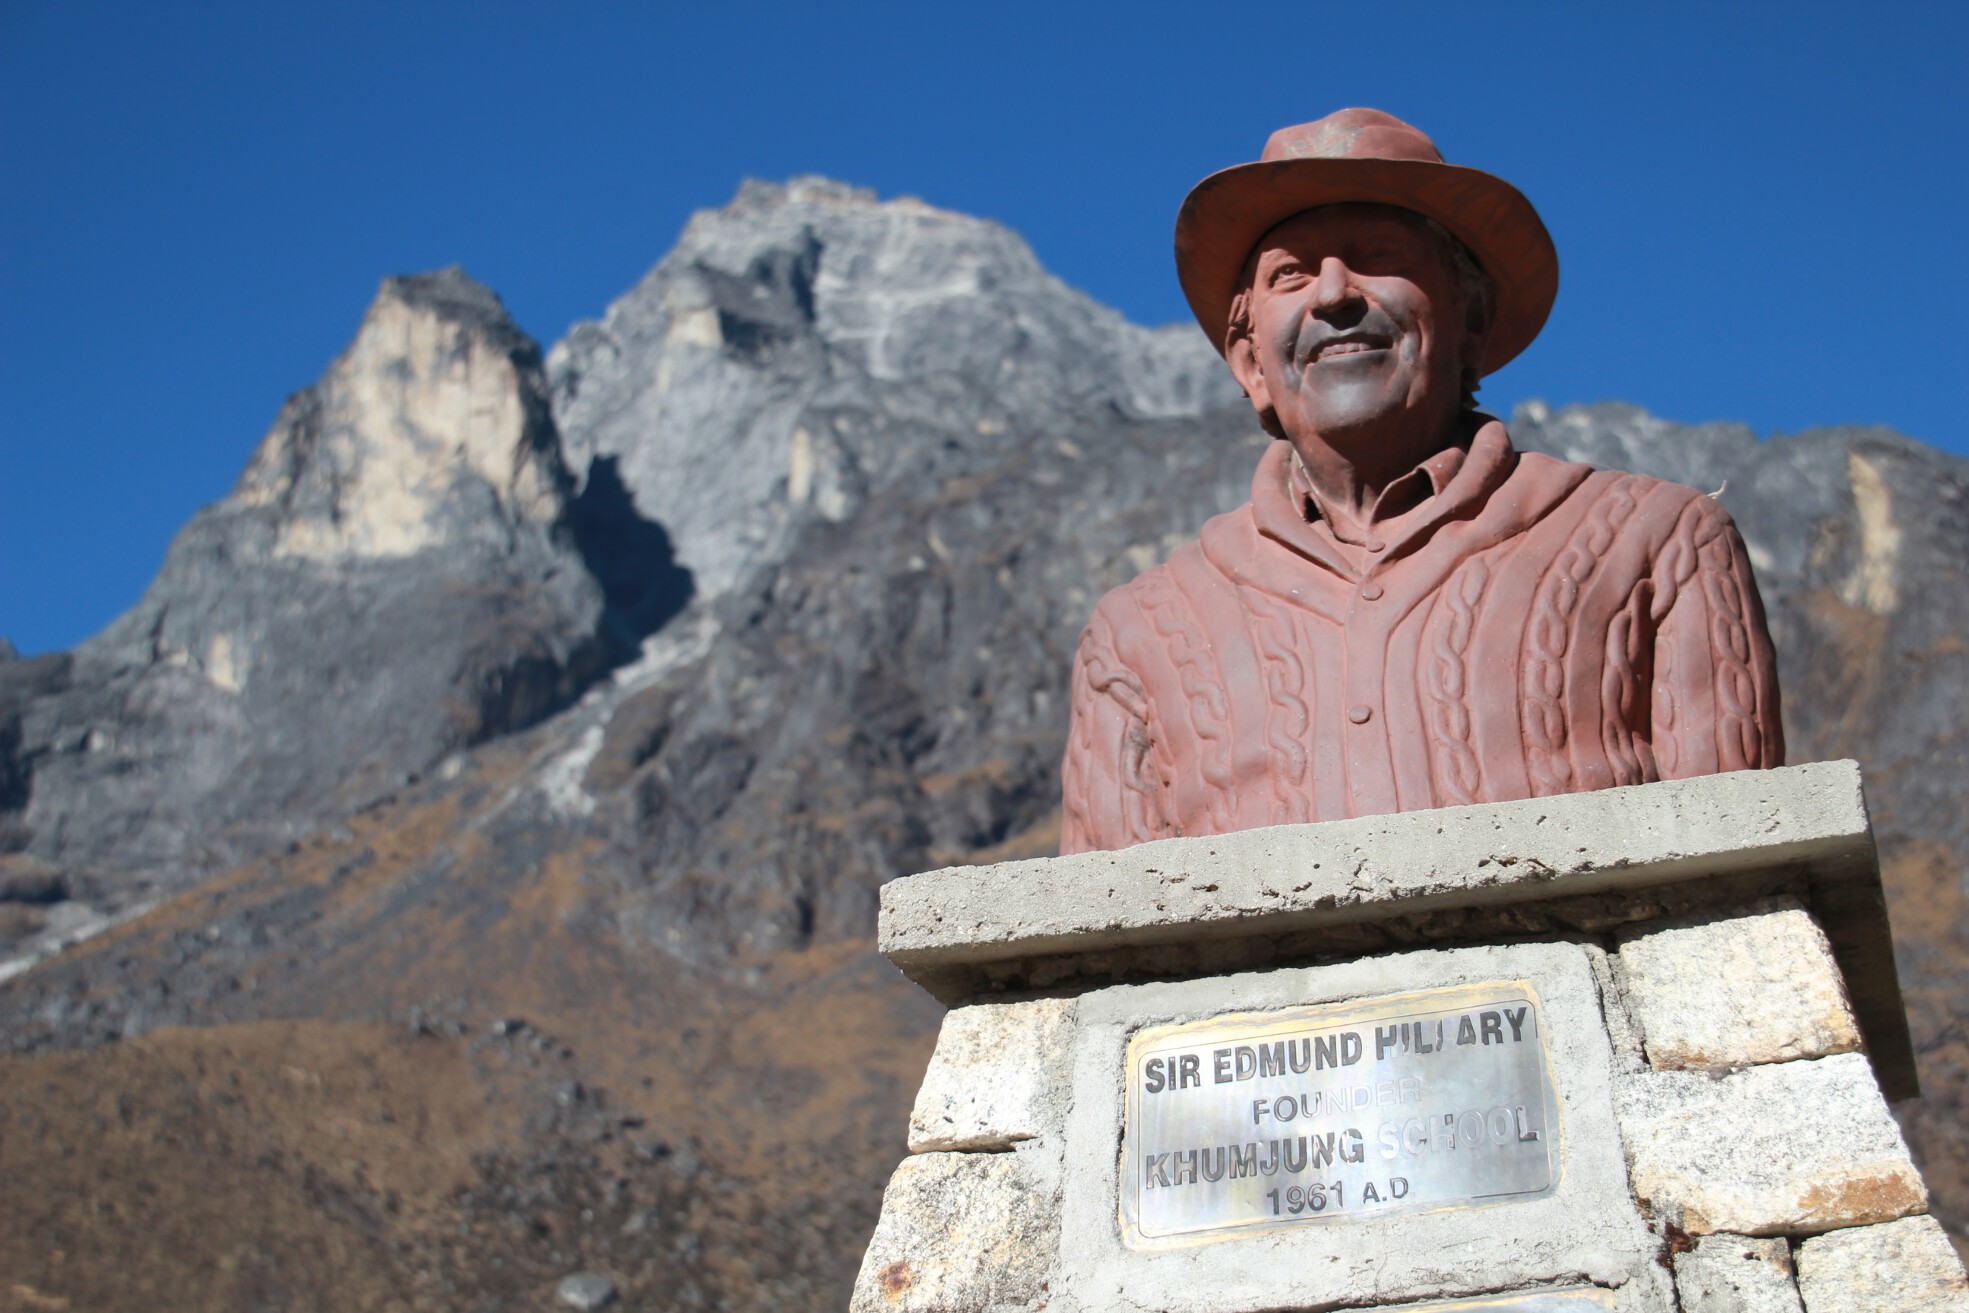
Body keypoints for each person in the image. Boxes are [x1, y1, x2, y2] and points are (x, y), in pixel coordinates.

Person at [1060, 108, 1782, 854]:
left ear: (1469, 318)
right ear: (1249, 366)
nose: (1334, 294)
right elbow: (1101, 946)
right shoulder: (1136, 631)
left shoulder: (1658, 540)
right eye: (1290, 274)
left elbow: (1742, 885)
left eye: (1376, 255)